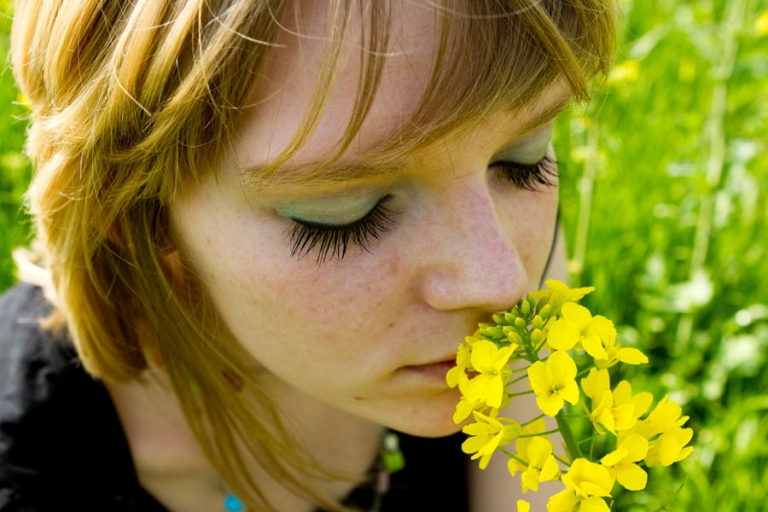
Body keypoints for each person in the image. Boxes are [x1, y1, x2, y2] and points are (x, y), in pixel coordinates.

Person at [0, 0, 616, 510]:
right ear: (137, 226)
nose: (504, 279)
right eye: (346, 216)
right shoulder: (29, 455)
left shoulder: (488, 244)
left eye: (524, 158)